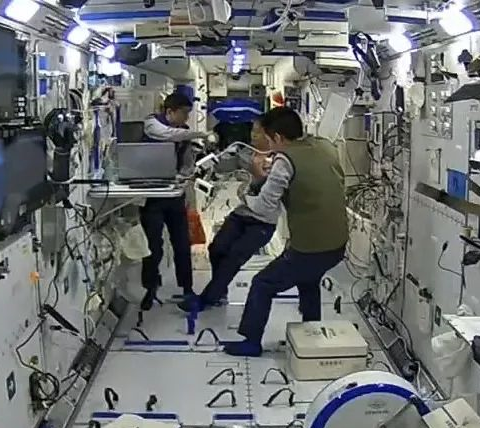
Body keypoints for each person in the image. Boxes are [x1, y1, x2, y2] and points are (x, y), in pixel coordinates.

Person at [222, 107, 348, 357]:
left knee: (262, 283)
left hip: (311, 248)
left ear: (278, 137)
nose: (268, 147)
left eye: (269, 140)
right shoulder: (325, 146)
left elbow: (263, 207)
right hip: (337, 244)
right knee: (308, 279)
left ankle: (251, 342)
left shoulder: (284, 161)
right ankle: (311, 331)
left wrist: (245, 192)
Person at [178, 117, 280, 311]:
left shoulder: (279, 160)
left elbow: (268, 192)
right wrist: (211, 157)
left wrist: (257, 175)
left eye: (258, 132)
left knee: (234, 256)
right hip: (242, 213)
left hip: (263, 221)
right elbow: (224, 167)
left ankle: (207, 299)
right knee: (217, 249)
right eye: (252, 131)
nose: (253, 135)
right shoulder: (246, 153)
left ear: (270, 135)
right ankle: (219, 291)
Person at [139, 93, 208, 310]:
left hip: (174, 195)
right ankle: (149, 288)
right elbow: (167, 135)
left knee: (182, 244)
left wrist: (184, 176)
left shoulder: (184, 133)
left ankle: (187, 288)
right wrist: (201, 133)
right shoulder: (152, 124)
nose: (186, 118)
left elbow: (187, 164)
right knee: (153, 246)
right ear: (170, 111)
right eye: (184, 113)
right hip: (153, 197)